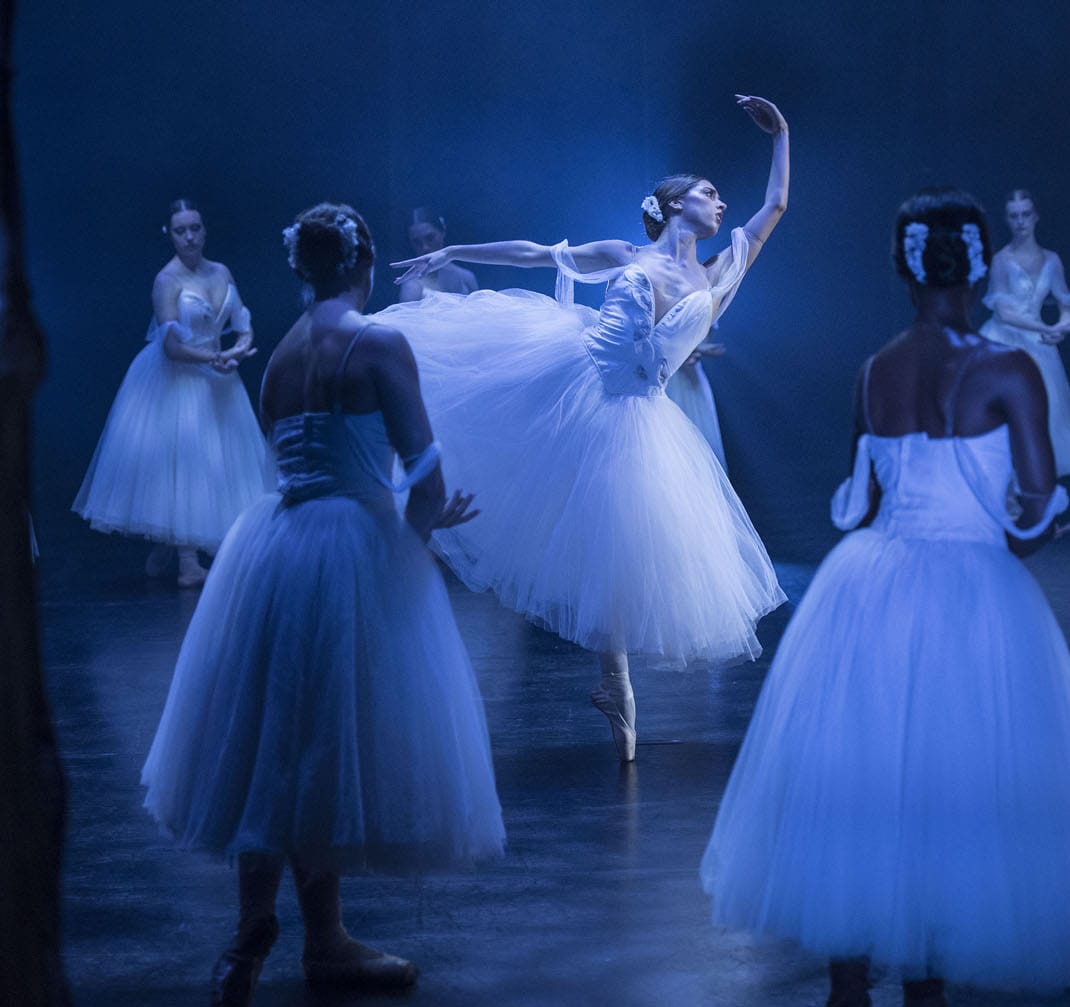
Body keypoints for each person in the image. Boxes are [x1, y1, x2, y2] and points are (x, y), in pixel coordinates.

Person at [701, 189, 1070, 1006]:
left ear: (904, 269)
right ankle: (925, 983)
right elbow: (1029, 518)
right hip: (970, 588)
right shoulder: (1009, 371)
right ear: (978, 271)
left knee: (867, 778)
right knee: (950, 780)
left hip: (870, 585)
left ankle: (848, 981)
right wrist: (1024, 530)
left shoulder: (876, 370)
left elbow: (864, 505)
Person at [140, 203, 504, 1006]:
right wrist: (412, 545)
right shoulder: (378, 343)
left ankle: (278, 929)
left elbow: (297, 462)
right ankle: (314, 936)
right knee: (325, 737)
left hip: (277, 545)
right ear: (363, 265)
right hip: (351, 549)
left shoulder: (281, 356)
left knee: (272, 732)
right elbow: (425, 480)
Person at [382, 95, 791, 762]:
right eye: (708, 193)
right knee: (492, 429)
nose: (721, 203)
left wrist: (781, 135)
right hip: (575, 381)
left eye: (720, 197)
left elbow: (774, 207)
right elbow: (536, 255)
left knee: (618, 540)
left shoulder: (718, 272)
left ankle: (616, 687)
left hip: (639, 414)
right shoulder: (626, 253)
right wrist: (454, 249)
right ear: (673, 204)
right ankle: (615, 686)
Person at [72, 199, 271, 586]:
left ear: (205, 229)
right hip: (179, 378)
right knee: (188, 463)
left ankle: (175, 544)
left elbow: (243, 325)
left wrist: (236, 351)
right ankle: (186, 561)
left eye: (195, 228)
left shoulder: (222, 271)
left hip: (218, 378)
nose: (190, 237)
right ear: (170, 235)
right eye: (181, 231)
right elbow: (172, 347)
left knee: (221, 464)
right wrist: (216, 357)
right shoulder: (167, 280)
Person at [978, 189, 1070, 475]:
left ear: (1036, 216)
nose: (1020, 221)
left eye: (1025, 214)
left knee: (1045, 412)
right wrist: (1047, 328)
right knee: (1005, 412)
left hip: (1038, 343)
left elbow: (1066, 303)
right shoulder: (1001, 260)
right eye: (1014, 216)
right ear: (1007, 220)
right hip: (1003, 341)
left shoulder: (1052, 260)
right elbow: (1005, 312)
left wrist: (1062, 329)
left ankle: (1035, 486)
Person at [665, 334, 728, 467]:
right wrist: (695, 349)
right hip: (665, 377)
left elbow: (705, 338)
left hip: (688, 378)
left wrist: (695, 350)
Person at [397, 207, 478, 301]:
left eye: (430, 238)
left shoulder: (467, 277)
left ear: (443, 232)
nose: (425, 247)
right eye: (417, 242)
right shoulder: (411, 284)